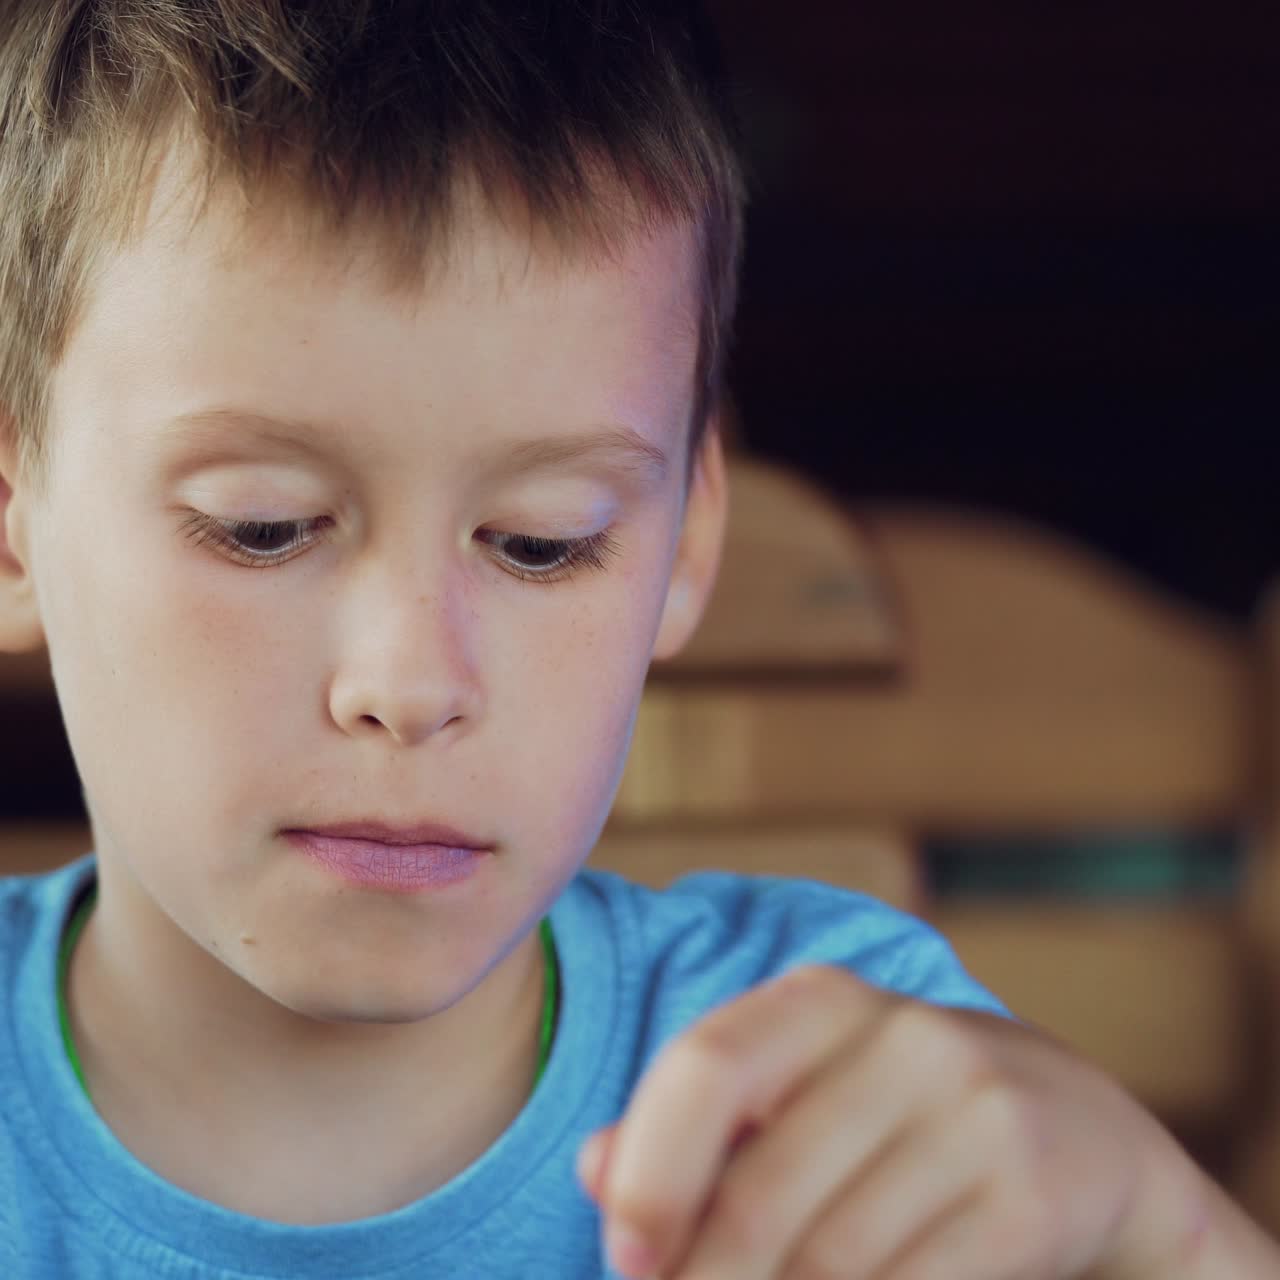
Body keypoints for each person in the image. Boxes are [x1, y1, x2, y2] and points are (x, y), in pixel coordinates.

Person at [0, 3, 1276, 1277]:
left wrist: (1151, 1226)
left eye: (542, 542)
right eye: (263, 528)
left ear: (685, 539)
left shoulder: (846, 1101)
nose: (410, 682)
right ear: (13, 521)